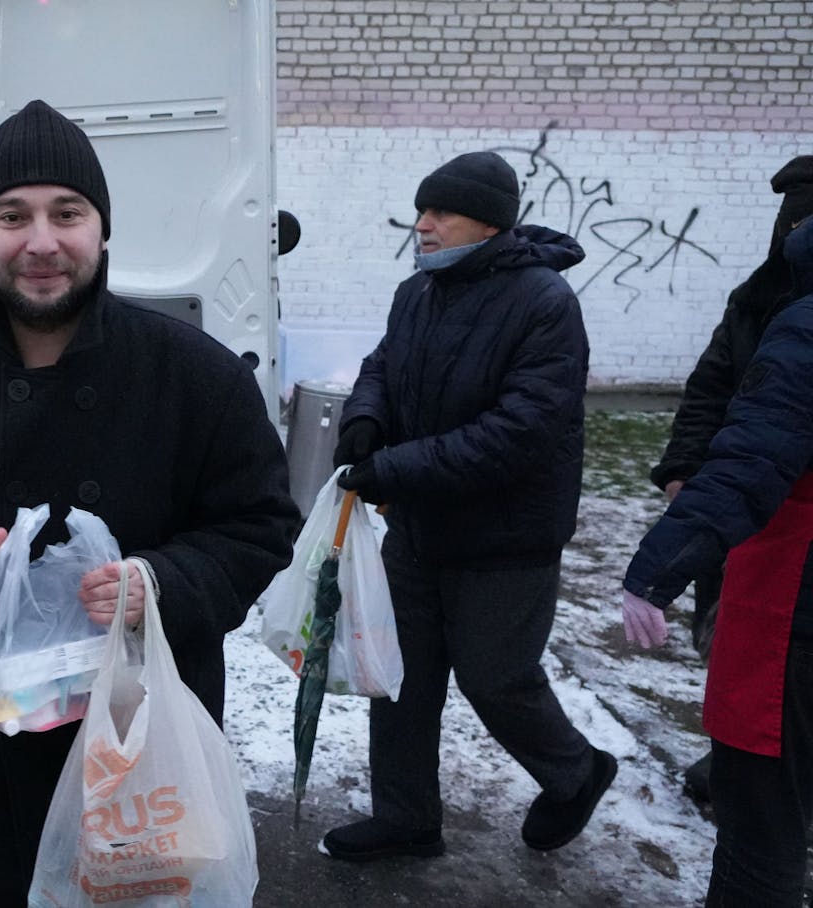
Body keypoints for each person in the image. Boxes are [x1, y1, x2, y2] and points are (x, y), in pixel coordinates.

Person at [0, 99, 300, 904]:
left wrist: (164, 583)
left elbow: (259, 525)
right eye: (12, 215)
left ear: (102, 231)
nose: (41, 241)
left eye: (67, 213)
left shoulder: (197, 375)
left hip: (141, 761)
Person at [321, 151, 616, 861]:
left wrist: (394, 466)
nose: (421, 225)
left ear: (489, 222)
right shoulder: (416, 293)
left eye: (439, 212)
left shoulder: (544, 303)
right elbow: (383, 368)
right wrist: (366, 419)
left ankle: (575, 772)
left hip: (504, 540)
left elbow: (518, 434)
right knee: (400, 680)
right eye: (422, 209)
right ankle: (406, 818)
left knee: (497, 678)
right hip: (419, 528)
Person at [622, 212, 813, 907]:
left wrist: (655, 571)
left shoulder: (803, 323)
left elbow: (751, 462)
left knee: (761, 820)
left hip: (792, 615)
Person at [647, 156, 813, 802]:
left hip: (791, 526)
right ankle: (732, 758)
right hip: (733, 510)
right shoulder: (754, 300)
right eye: (793, 221)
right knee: (727, 643)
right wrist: (684, 469)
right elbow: (710, 386)